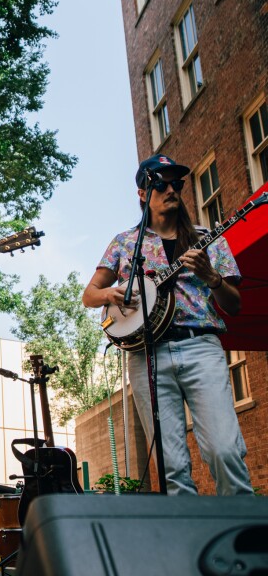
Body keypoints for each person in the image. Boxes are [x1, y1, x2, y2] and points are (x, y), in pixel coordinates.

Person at [83, 154, 253, 496]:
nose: (171, 188)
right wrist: (113, 295)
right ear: (143, 192)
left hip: (201, 346)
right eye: (161, 182)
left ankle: (246, 540)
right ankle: (191, 547)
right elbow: (90, 295)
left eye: (177, 182)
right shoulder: (125, 243)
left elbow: (233, 305)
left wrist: (211, 277)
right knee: (172, 465)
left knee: (225, 450)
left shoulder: (209, 238)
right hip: (148, 355)